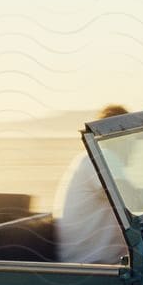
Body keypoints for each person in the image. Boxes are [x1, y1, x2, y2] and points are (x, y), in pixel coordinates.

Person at [54, 103, 128, 263]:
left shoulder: (89, 159)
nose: (133, 144)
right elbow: (133, 199)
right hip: (93, 267)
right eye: (128, 135)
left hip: (106, 264)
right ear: (116, 135)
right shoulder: (102, 156)